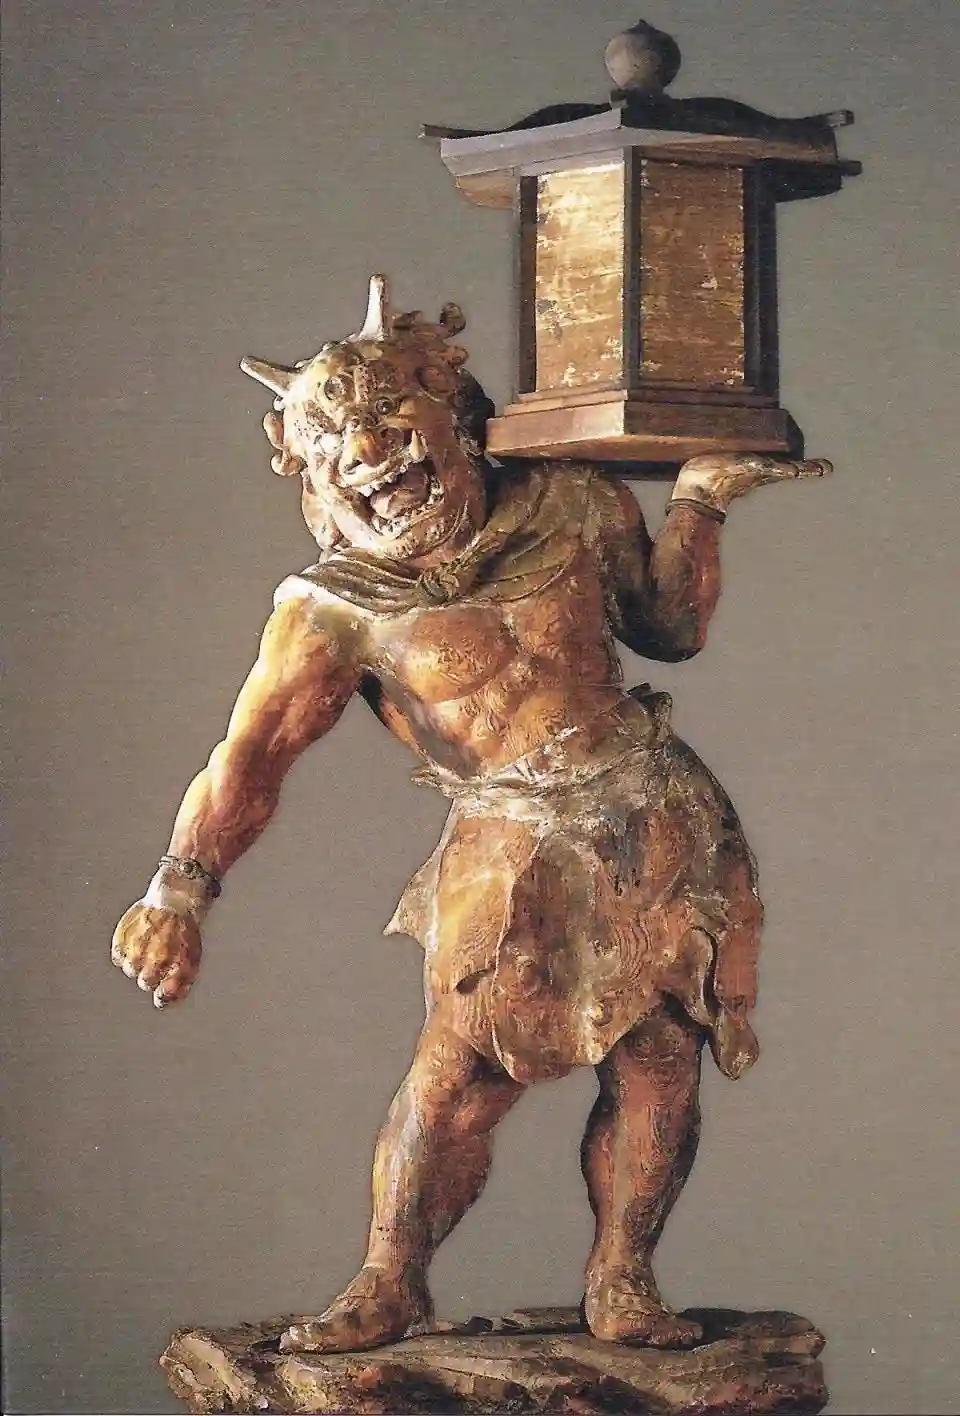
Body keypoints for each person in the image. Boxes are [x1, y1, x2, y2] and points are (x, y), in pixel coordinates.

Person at [112, 276, 828, 1354]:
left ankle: (623, 1277)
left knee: (659, 1059)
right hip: (508, 849)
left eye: (390, 419)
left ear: (456, 413)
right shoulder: (335, 610)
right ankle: (389, 1278)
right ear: (308, 472)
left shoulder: (574, 504)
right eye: (333, 443)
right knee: (458, 1077)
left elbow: (670, 627)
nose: (368, 454)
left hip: (653, 821)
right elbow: (250, 759)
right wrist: (179, 889)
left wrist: (700, 500)